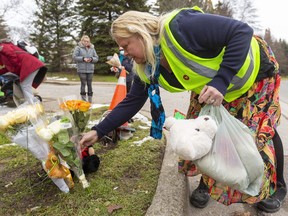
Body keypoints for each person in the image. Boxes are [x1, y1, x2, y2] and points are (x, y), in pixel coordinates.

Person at [79, 7, 286, 213]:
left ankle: (278, 187)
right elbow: (132, 101)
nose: (125, 53)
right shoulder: (149, 65)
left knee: (259, 132)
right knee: (201, 132)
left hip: (253, 73)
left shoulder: (181, 27)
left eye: (126, 45)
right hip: (212, 85)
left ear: (140, 32)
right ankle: (207, 183)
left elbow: (240, 31)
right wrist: (98, 131)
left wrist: (221, 81)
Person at [0, 38, 47, 104]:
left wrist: (17, 66)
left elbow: (11, 55)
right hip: (32, 65)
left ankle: (32, 105)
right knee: (25, 85)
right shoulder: (4, 55)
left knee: (25, 85)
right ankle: (35, 102)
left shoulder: (3, 46)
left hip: (30, 65)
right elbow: (7, 68)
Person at [73, 35, 99, 103]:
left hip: (90, 69)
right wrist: (83, 59)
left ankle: (90, 101)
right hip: (81, 69)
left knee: (90, 84)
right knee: (83, 84)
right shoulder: (78, 48)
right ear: (82, 41)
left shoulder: (92, 48)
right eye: (85, 41)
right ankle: (83, 100)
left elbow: (96, 58)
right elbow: (74, 57)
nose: (86, 42)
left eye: (88, 41)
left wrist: (91, 59)